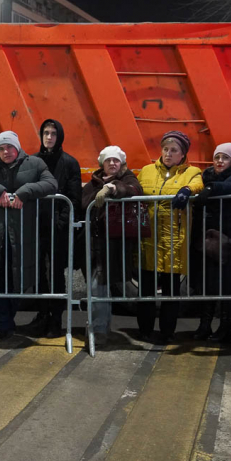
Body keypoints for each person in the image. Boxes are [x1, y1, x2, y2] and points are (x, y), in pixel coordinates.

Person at [0, 131, 58, 340]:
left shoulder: (35, 164)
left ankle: (8, 319)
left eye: (9, 147)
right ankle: (4, 325)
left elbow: (51, 184)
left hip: (22, 235)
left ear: (18, 147)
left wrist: (25, 191)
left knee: (16, 281)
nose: (6, 151)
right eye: (1, 148)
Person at [136, 130, 203, 342]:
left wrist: (186, 190)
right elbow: (133, 188)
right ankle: (145, 330)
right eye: (165, 149)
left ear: (182, 155)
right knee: (145, 290)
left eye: (174, 150)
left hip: (173, 240)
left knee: (170, 291)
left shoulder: (191, 171)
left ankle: (167, 332)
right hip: (148, 238)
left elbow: (198, 183)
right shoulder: (146, 170)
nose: (168, 153)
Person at [81, 146, 143, 346]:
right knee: (98, 286)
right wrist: (100, 191)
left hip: (115, 243)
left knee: (99, 285)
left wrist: (113, 188)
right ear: (102, 164)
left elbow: (134, 189)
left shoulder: (128, 179)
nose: (113, 164)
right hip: (94, 243)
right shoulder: (93, 183)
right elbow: (84, 204)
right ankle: (99, 327)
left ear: (122, 163)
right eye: (109, 161)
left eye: (116, 161)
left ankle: (98, 329)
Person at [188, 143, 231, 343]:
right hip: (207, 239)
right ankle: (204, 325)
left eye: (225, 158)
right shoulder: (205, 175)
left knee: (228, 286)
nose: (220, 161)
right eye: (217, 157)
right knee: (207, 284)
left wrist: (212, 188)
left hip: (229, 239)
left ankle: (225, 327)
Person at [29, 118, 82, 338]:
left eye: (53, 133)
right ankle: (42, 315)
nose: (49, 137)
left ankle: (56, 320)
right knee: (38, 272)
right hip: (37, 226)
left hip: (58, 229)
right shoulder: (33, 161)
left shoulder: (69, 162)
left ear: (59, 136)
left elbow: (73, 197)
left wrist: (62, 223)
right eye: (45, 133)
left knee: (57, 274)